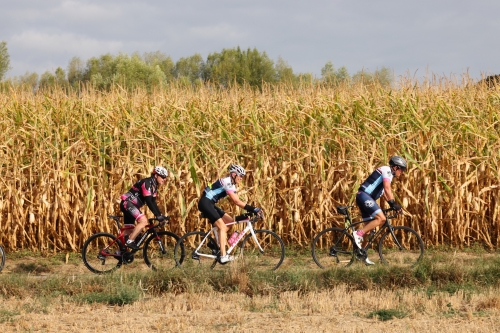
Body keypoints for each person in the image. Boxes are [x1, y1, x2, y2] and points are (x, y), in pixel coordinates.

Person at [198, 163, 262, 263]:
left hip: (210, 203)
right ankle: (223, 257)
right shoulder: (227, 182)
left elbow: (237, 201)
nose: (241, 178)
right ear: (233, 175)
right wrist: (254, 209)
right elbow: (236, 201)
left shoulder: (231, 184)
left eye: (242, 176)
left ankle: (216, 244)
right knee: (222, 227)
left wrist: (249, 211)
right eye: (240, 176)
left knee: (230, 222)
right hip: (205, 203)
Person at [353, 156, 406, 265]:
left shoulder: (389, 175)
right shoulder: (386, 170)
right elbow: (387, 188)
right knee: (381, 218)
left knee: (369, 231)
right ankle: (358, 234)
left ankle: (361, 254)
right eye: (401, 169)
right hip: (364, 196)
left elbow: (384, 193)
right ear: (395, 167)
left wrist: (393, 205)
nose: (402, 172)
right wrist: (392, 202)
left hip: (366, 198)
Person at [120, 166, 169, 250]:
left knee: (129, 231)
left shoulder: (154, 185)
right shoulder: (147, 183)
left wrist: (160, 215)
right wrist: (158, 216)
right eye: (163, 177)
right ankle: (130, 241)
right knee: (143, 221)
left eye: (165, 178)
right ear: (156, 175)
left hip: (131, 205)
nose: (164, 179)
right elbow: (149, 201)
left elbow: (153, 202)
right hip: (128, 204)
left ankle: (120, 252)